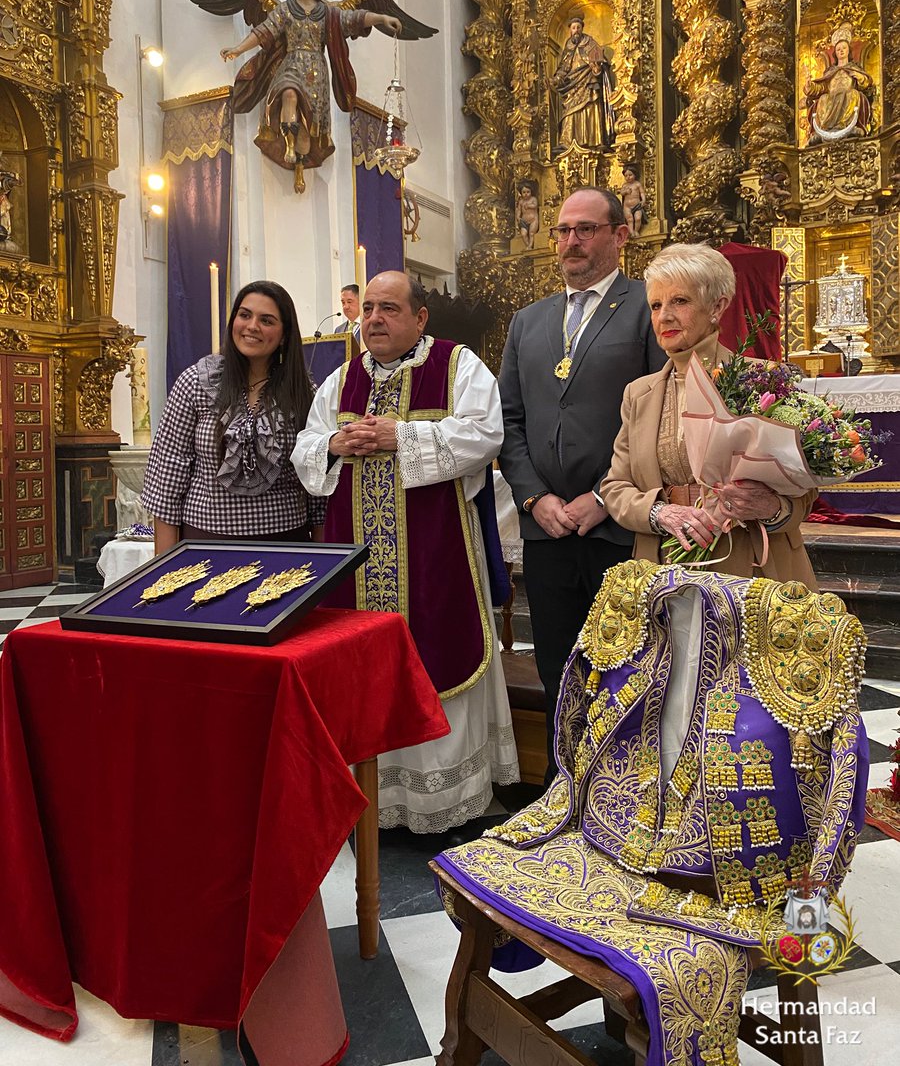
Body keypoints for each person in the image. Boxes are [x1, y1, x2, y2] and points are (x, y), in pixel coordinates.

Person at [292, 271, 519, 832]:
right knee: (358, 665)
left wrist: (403, 437)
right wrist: (334, 444)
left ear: (420, 318)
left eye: (389, 308)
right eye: (367, 308)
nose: (374, 319)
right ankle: (370, 802)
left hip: (436, 554)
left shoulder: (458, 365)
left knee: (437, 653)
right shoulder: (340, 378)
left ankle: (440, 805)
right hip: (356, 560)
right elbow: (306, 446)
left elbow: (484, 434)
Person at [498, 186, 666, 774]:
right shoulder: (528, 321)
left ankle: (619, 796)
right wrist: (533, 496)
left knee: (624, 668)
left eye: (586, 229)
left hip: (615, 528)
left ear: (620, 236)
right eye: (564, 229)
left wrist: (603, 497)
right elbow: (510, 422)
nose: (571, 240)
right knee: (555, 664)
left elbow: (659, 416)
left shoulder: (649, 307)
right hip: (547, 530)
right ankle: (559, 786)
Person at [600, 243, 818, 586]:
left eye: (680, 301)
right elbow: (615, 487)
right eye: (656, 305)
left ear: (717, 306)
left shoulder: (765, 380)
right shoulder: (638, 394)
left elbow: (804, 493)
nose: (664, 316)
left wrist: (769, 507)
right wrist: (661, 512)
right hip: (665, 565)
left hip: (754, 572)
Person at [142, 280, 325, 552]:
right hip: (206, 545)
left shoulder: (304, 393)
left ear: (284, 334)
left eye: (267, 320)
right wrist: (163, 571)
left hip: (286, 547)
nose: (252, 326)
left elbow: (317, 486)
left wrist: (323, 565)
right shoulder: (196, 383)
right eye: (245, 315)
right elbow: (167, 479)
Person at [220, 0, 401, 170]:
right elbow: (263, 31)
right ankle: (288, 146)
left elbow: (355, 18)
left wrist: (381, 18)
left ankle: (301, 145)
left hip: (316, 71)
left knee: (308, 120)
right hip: (291, 63)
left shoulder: (327, 13)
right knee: (288, 93)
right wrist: (237, 49)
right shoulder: (286, 10)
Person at [549, 15, 615, 151]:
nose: (576, 30)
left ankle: (596, 139)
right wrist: (556, 79)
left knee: (591, 106)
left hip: (588, 80)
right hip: (572, 84)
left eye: (578, 27)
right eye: (573, 28)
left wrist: (596, 68)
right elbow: (564, 67)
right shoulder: (568, 46)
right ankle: (567, 142)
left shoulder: (590, 43)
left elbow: (600, 61)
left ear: (582, 28)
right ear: (570, 31)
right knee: (569, 111)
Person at [805, 23, 873, 145]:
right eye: (838, 49)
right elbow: (821, 87)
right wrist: (810, 86)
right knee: (823, 98)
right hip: (831, 97)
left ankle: (847, 125)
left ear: (848, 51)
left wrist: (860, 77)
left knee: (853, 94)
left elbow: (866, 84)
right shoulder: (831, 72)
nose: (841, 51)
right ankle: (825, 129)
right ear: (835, 53)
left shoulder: (854, 68)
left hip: (847, 95)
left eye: (844, 48)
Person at [620, 161, 646, 236]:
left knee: (638, 218)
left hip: (637, 205)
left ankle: (636, 230)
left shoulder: (637, 184)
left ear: (635, 175)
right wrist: (625, 191)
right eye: (626, 176)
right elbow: (622, 193)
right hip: (627, 206)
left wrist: (643, 200)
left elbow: (642, 193)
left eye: (630, 175)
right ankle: (631, 232)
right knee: (629, 219)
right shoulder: (625, 185)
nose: (628, 177)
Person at [515, 180, 540, 249]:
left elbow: (535, 206)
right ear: (521, 193)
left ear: (531, 192)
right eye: (524, 192)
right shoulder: (521, 201)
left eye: (528, 192)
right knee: (523, 234)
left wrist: (529, 206)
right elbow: (519, 210)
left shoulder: (533, 199)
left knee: (531, 233)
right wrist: (518, 217)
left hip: (533, 220)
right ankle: (528, 244)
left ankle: (530, 245)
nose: (526, 194)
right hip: (524, 221)